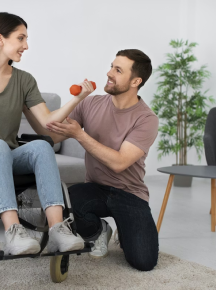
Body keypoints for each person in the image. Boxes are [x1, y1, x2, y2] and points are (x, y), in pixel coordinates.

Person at [0, 12, 94, 255]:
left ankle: (58, 230)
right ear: (0, 38)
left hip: (7, 154)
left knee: (42, 146)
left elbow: (46, 123)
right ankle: (13, 233)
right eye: (21, 38)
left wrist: (77, 99)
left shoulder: (24, 80)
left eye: (26, 39)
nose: (26, 46)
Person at [27, 49, 159, 271]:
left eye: (118, 70)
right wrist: (28, 105)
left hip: (130, 193)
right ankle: (100, 230)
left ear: (136, 81)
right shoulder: (91, 104)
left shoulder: (146, 119)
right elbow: (54, 135)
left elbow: (119, 163)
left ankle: (125, 233)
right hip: (94, 188)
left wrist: (80, 134)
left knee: (144, 262)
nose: (109, 73)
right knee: (63, 203)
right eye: (111, 66)